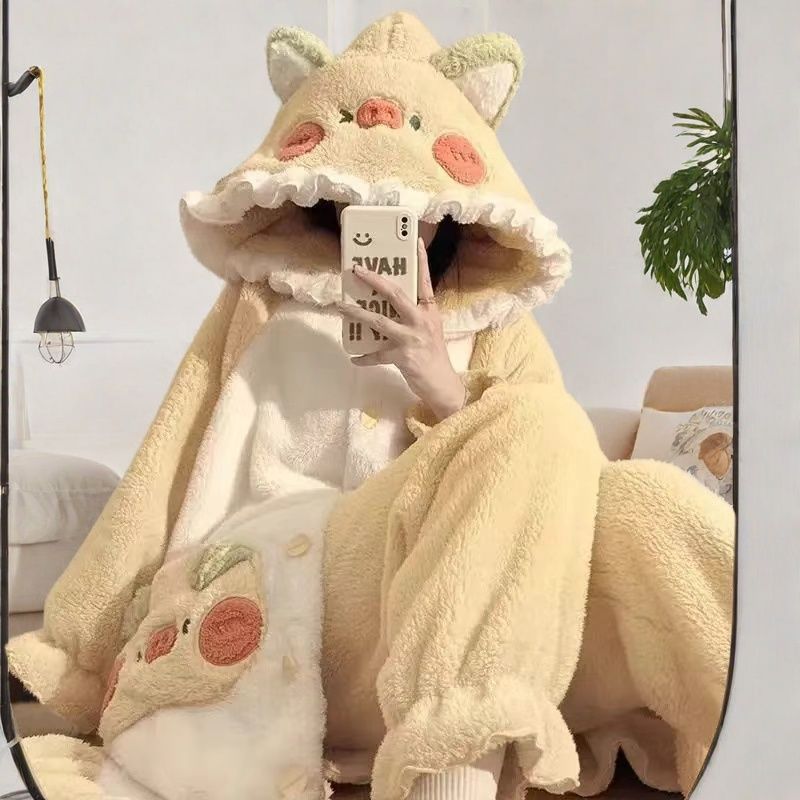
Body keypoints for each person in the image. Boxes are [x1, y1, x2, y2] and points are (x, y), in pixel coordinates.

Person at [8, 13, 733, 800]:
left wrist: (442, 383)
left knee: (646, 504)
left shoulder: (500, 326)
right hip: (275, 598)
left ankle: (764, 738)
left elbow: (565, 509)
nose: (401, 214)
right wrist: (81, 653)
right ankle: (448, 775)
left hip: (422, 626)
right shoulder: (259, 303)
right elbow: (166, 461)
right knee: (537, 416)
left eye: (419, 196)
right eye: (372, 195)